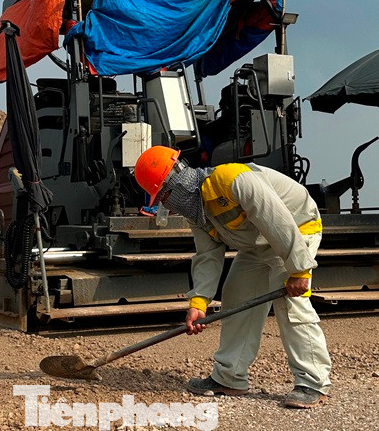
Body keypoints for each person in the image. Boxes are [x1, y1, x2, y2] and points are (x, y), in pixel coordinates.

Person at [134, 146, 331, 409]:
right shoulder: (198, 212)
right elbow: (207, 256)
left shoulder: (233, 180)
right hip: (259, 245)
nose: (165, 204)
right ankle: (229, 377)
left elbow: (278, 221)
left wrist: (298, 269)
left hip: (297, 230)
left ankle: (312, 382)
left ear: (177, 184)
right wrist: (198, 303)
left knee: (290, 304)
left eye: (164, 196)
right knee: (236, 296)